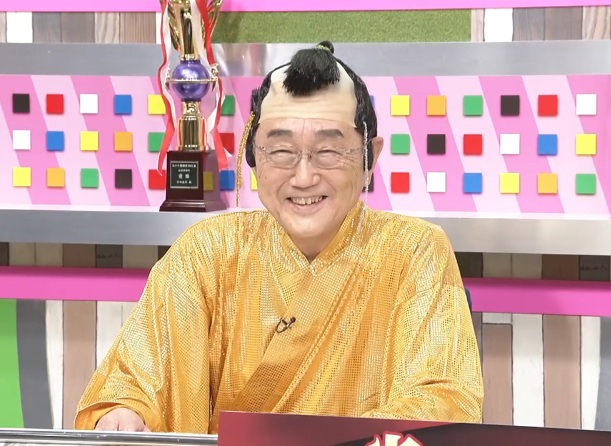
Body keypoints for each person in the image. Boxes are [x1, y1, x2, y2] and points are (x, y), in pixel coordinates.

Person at [73, 41, 484, 434]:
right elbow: (137, 379)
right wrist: (125, 413)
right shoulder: (207, 252)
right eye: (282, 151)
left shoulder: (414, 253)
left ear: (368, 158)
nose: (303, 177)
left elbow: (441, 401)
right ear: (254, 157)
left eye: (329, 151)